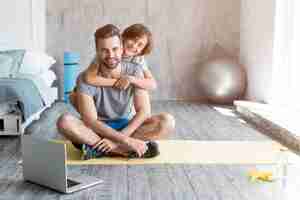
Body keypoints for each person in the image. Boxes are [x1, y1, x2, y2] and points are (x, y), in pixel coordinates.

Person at [56, 24, 175, 160]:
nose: (111, 55)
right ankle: (122, 151)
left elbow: (144, 111)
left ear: (121, 48)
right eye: (104, 50)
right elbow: (91, 121)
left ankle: (96, 147)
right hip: (97, 129)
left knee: (167, 122)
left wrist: (117, 138)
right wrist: (126, 141)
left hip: (125, 125)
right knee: (64, 122)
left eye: (115, 49)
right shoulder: (85, 78)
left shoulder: (135, 71)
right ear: (97, 51)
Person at [83, 23, 157, 91]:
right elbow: (89, 78)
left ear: (142, 50)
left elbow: (152, 84)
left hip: (125, 93)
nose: (134, 46)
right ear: (124, 37)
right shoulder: (107, 53)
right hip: (104, 90)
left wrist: (130, 79)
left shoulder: (138, 59)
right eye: (133, 40)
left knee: (141, 84)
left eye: (140, 45)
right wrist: (118, 82)